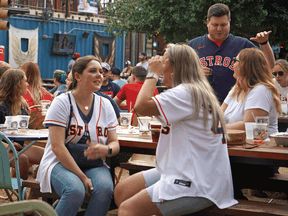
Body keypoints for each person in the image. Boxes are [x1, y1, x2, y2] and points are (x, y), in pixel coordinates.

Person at [114, 44, 237, 216]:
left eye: (163, 61)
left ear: (175, 67)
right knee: (122, 191)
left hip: (197, 181)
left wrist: (152, 74)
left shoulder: (186, 92)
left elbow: (140, 107)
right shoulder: (193, 90)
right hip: (187, 169)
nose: (159, 64)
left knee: (128, 209)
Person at [36, 55, 120, 216]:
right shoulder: (62, 102)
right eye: (93, 71)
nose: (99, 75)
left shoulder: (106, 104)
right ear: (78, 76)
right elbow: (57, 147)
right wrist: (82, 177)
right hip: (59, 162)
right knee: (75, 190)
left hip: (92, 163)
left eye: (101, 72)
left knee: (105, 190)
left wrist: (106, 149)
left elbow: (115, 143)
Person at [221, 48, 281, 198]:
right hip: (237, 153)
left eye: (236, 60)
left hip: (260, 158)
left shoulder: (260, 90)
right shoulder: (237, 88)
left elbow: (249, 126)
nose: (233, 63)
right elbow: (218, 115)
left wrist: (215, 128)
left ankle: (233, 203)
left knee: (213, 170)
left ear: (246, 65)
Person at [187, 3, 275, 103]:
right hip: (201, 105)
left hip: (235, 105)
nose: (219, 29)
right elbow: (180, 76)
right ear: (207, 23)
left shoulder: (242, 44)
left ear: (229, 22)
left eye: (223, 25)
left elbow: (269, 66)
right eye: (215, 25)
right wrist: (195, 74)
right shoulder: (193, 45)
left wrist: (264, 43)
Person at [0, 69, 44, 180]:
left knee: (48, 155)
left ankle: (34, 191)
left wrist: (37, 120)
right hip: (3, 147)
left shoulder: (22, 104)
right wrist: (7, 145)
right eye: (25, 81)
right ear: (17, 84)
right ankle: (19, 193)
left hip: (19, 146)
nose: (27, 84)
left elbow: (25, 129)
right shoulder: (1, 106)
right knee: (22, 159)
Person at [272, 59, 288, 132]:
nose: (277, 76)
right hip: (276, 120)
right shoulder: (272, 84)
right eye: (275, 74)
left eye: (280, 73)